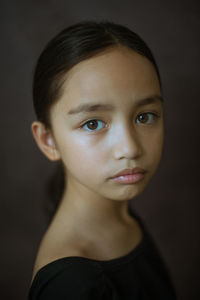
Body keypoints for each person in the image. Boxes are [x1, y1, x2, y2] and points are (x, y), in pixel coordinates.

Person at [28, 20, 177, 299]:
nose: (129, 149)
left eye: (144, 117)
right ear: (48, 140)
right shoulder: (69, 285)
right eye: (93, 123)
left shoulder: (122, 219)